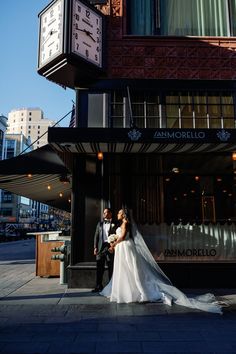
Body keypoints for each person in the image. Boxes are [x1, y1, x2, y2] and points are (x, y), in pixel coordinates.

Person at [100, 208, 224, 314]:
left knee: (130, 269)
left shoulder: (126, 223)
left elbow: (122, 237)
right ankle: (124, 290)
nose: (117, 214)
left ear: (124, 215)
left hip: (126, 247)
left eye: (119, 213)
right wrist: (115, 244)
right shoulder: (121, 223)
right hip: (122, 248)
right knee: (124, 269)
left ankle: (137, 292)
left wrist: (113, 244)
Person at [92, 208, 116, 293]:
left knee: (111, 268)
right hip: (100, 248)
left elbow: (117, 236)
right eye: (104, 213)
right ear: (103, 215)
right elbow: (96, 235)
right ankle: (98, 286)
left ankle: (112, 286)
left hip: (110, 247)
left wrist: (113, 246)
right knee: (99, 268)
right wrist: (95, 247)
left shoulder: (114, 224)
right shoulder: (100, 224)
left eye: (107, 212)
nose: (106, 214)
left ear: (111, 213)